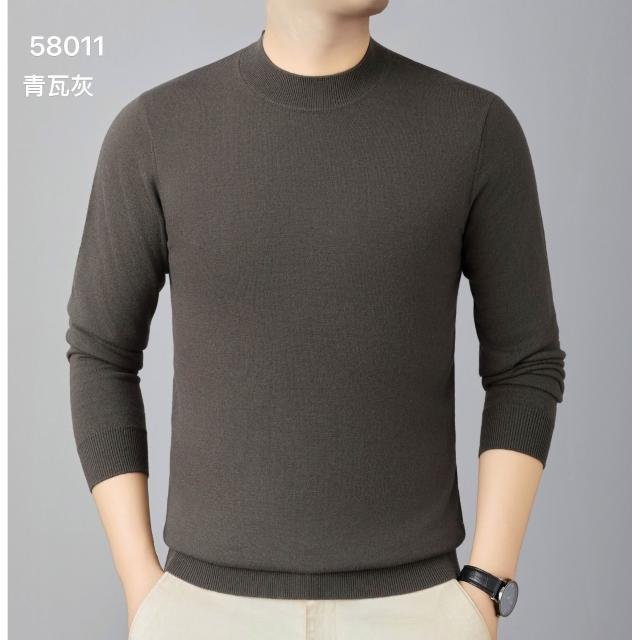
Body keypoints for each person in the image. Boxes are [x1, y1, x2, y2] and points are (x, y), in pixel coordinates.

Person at [65, 1, 566, 638]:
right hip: (203, 611)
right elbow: (100, 355)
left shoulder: (474, 128)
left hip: (417, 612)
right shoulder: (156, 130)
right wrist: (142, 585)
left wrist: (486, 587)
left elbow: (526, 364)